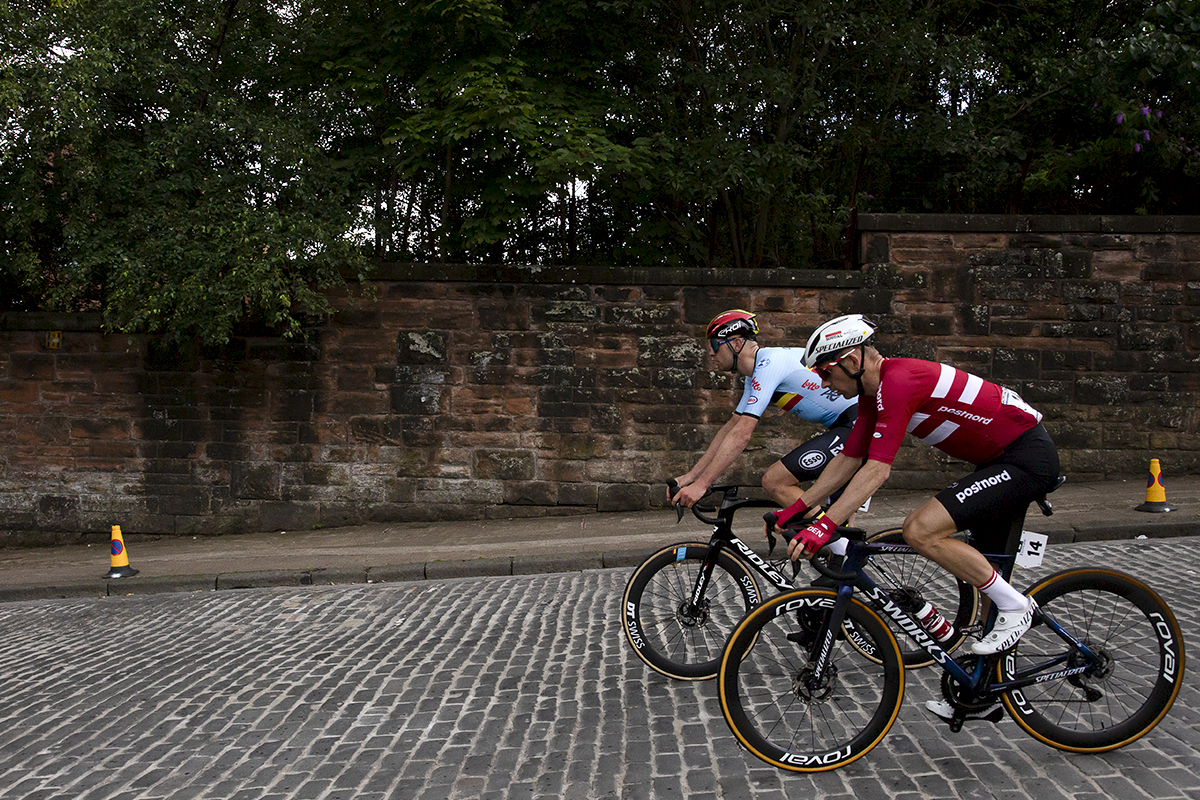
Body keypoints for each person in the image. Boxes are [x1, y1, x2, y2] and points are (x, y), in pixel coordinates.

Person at [770, 313, 1060, 664]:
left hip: (1025, 459)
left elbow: (877, 470)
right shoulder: (872, 394)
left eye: (824, 372)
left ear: (851, 361)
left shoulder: (899, 382)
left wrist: (825, 525)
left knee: (920, 530)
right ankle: (977, 695)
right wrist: (795, 509)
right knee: (989, 603)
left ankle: (1018, 605)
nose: (823, 384)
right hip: (999, 461)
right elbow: (848, 459)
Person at [670, 310, 859, 515]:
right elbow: (730, 429)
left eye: (715, 345)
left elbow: (742, 434)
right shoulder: (756, 374)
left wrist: (702, 486)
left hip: (858, 421)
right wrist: (692, 477)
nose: (711, 353)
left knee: (775, 481)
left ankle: (831, 539)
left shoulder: (770, 363)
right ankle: (837, 540)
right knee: (805, 524)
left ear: (735, 344)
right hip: (847, 423)